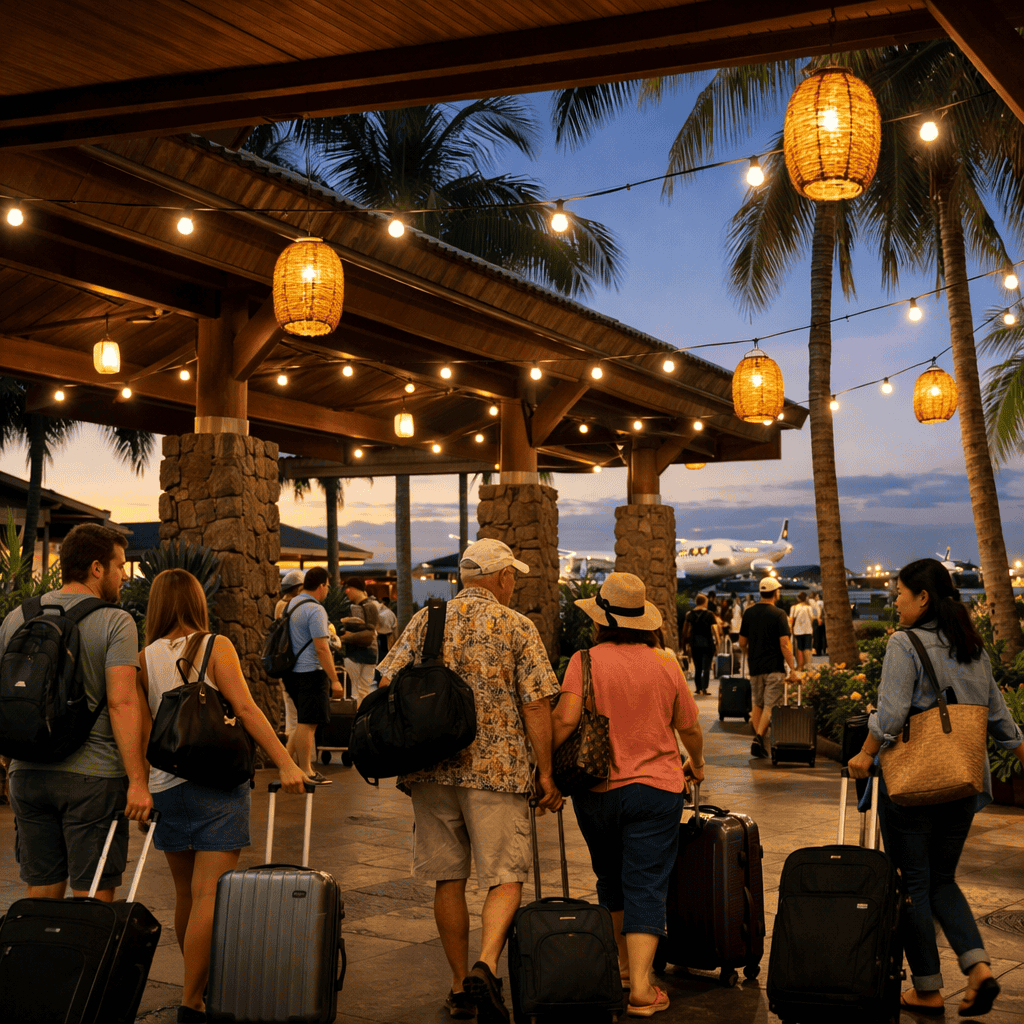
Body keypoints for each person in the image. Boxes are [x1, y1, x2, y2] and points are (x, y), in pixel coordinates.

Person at [377, 538, 561, 1024]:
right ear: (500, 578)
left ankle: (459, 985)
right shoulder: (516, 625)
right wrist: (546, 771)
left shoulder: (425, 621)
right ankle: (486, 965)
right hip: (496, 772)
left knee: (448, 878)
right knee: (505, 876)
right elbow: (538, 703)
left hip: (431, 768)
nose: (514, 584)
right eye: (512, 577)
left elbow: (384, 682)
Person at [848, 559, 1024, 1019]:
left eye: (899, 594)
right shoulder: (971, 646)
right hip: (963, 780)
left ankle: (927, 989)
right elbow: (1002, 721)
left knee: (915, 884)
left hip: (913, 784)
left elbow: (889, 716)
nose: (895, 602)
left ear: (922, 597)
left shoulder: (903, 644)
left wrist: (865, 755)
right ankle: (979, 967)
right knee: (943, 879)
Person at [140, 569, 308, 1024]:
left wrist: (137, 787)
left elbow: (144, 726)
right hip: (217, 784)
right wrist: (287, 762)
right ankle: (192, 1002)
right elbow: (248, 709)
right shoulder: (217, 645)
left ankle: (197, 986)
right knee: (210, 894)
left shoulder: (145, 656)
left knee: (185, 895)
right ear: (197, 602)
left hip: (165, 785)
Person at [552, 572, 704, 1019]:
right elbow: (689, 726)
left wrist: (544, 769)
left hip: (596, 791)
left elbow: (563, 721)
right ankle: (642, 988)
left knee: (610, 878)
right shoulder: (666, 662)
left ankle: (622, 969)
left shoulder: (586, 660)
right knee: (646, 884)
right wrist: (697, 762)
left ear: (602, 619)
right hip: (656, 790)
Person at [1, 524, 152, 902]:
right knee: (93, 892)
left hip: (27, 773)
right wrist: (138, 780)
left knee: (42, 888)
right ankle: (84, 962)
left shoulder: (17, 618)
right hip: (93, 777)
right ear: (97, 568)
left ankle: (38, 959)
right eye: (119, 566)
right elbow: (123, 702)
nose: (122, 575)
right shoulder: (115, 621)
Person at [284, 567, 344, 785]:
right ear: (321, 585)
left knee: (302, 721)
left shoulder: (293, 604)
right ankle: (307, 771)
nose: (327, 590)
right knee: (308, 724)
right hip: (310, 672)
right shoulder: (316, 610)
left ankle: (285, 762)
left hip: (292, 673)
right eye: (327, 586)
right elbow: (322, 648)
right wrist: (335, 680)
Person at [738, 577, 795, 759]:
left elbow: (742, 642)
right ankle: (759, 738)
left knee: (757, 703)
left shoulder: (748, 613)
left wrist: (752, 650)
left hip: (755, 666)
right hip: (774, 667)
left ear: (761, 592)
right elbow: (785, 644)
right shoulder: (779, 614)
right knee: (770, 705)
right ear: (776, 593)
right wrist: (793, 668)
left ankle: (759, 741)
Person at [273, 569, 304, 762]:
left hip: (285, 664)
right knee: (297, 714)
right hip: (295, 664)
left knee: (291, 711)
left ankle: (291, 755)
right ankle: (293, 757)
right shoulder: (292, 605)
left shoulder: (281, 605)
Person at [340, 576, 380, 701]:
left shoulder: (369, 606)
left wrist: (346, 637)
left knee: (358, 691)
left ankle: (357, 717)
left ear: (356, 589)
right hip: (363, 654)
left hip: (361, 654)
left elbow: (371, 633)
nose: (347, 591)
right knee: (361, 691)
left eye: (349, 588)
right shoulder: (351, 606)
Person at [683, 594, 720, 695]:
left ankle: (698, 688)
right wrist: (718, 642)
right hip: (708, 643)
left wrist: (684, 645)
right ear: (704, 603)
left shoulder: (689, 614)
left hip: (694, 643)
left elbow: (685, 631)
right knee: (706, 667)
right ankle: (704, 688)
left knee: (697, 667)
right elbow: (715, 629)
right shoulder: (709, 614)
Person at [789, 592, 815, 671]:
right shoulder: (808, 607)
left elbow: (791, 619)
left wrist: (791, 628)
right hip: (807, 630)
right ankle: (807, 666)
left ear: (798, 598)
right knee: (807, 648)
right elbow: (812, 618)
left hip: (797, 631)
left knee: (799, 648)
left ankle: (800, 666)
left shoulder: (793, 607)